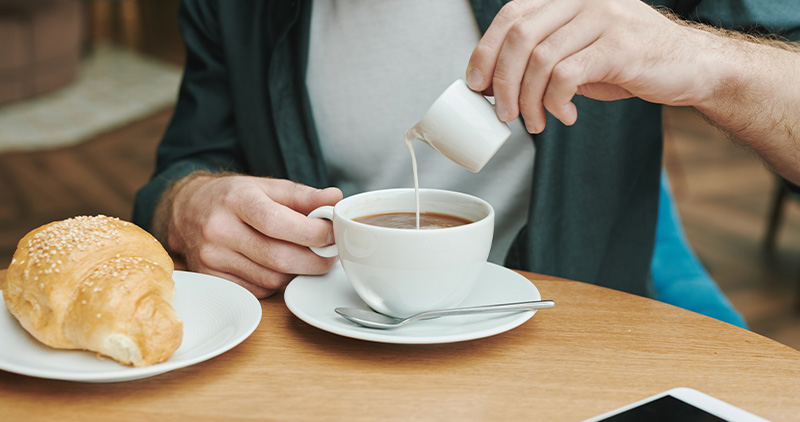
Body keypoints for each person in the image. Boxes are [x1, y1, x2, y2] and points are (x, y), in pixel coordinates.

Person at [133, 0, 800, 302]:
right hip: (334, 354)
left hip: (573, 351)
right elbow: (186, 164)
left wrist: (703, 59)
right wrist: (187, 204)